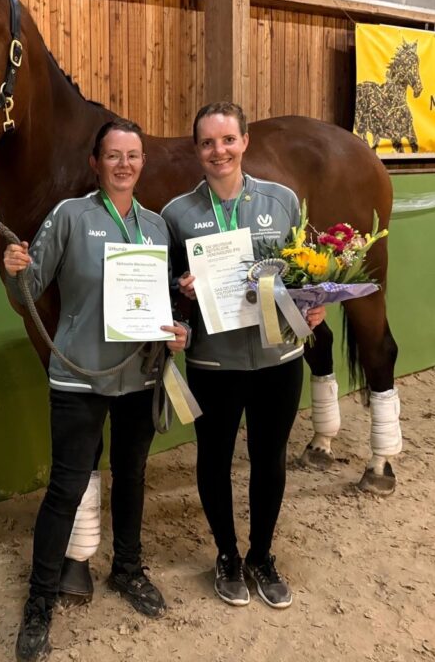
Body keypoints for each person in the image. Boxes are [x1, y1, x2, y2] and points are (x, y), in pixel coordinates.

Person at [4, 119, 190, 661]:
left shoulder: (158, 228)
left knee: (132, 477)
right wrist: (17, 267)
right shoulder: (70, 216)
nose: (124, 164)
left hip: (139, 376)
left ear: (142, 162)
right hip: (78, 378)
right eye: (113, 155)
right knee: (65, 487)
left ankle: (128, 570)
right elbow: (31, 289)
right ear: (96, 162)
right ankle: (40, 600)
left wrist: (181, 331)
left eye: (132, 155)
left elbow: (172, 304)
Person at [160, 102, 325, 610]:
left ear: (245, 142)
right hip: (214, 363)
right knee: (213, 460)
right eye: (208, 143)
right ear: (197, 150)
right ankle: (227, 555)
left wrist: (313, 307)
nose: (219, 151)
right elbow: (165, 291)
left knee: (268, 460)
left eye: (228, 140)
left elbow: (303, 272)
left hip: (279, 359)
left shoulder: (283, 201)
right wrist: (181, 299)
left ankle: (261, 555)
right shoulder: (176, 215)